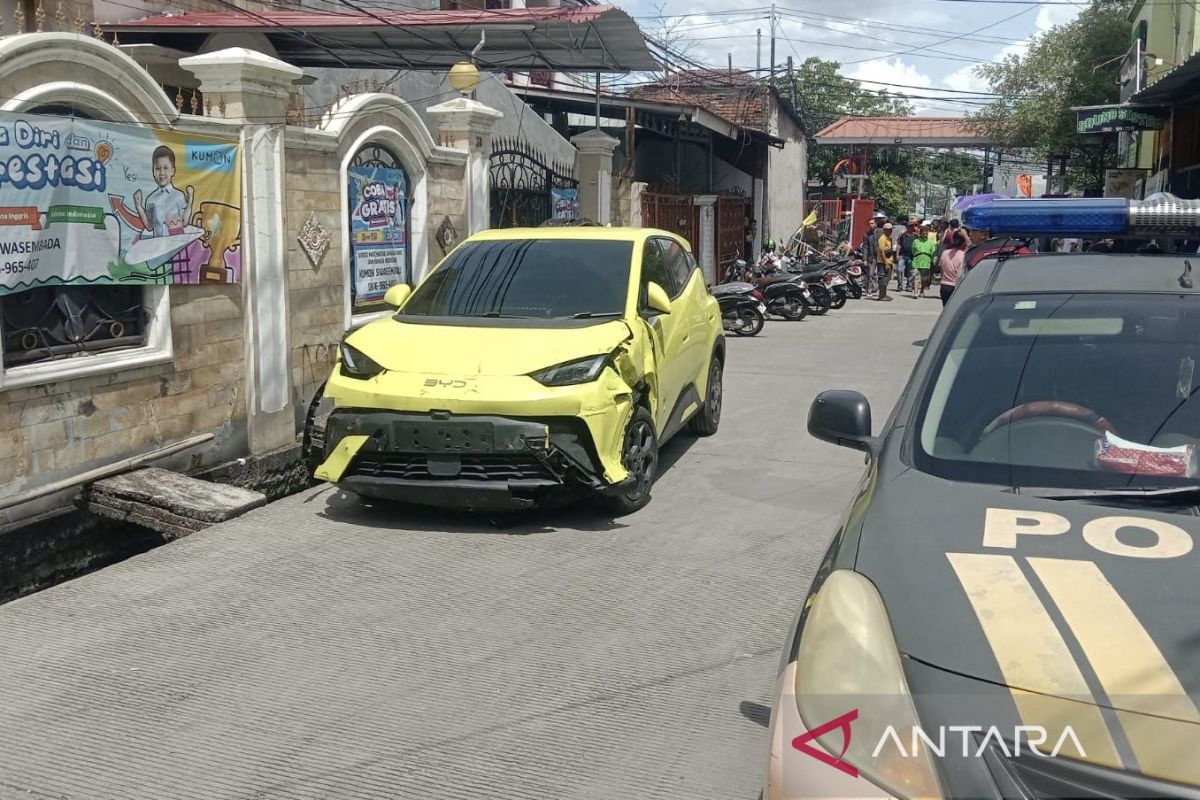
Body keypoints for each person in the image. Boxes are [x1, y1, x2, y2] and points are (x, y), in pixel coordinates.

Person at [135, 145, 193, 238]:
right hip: (158, 246)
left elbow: (185, 222)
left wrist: (190, 199)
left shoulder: (178, 196)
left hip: (175, 245)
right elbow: (149, 226)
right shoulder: (151, 199)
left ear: (173, 171)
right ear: (153, 171)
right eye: (158, 168)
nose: (161, 173)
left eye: (165, 168)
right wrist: (139, 206)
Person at [938, 230, 968, 307]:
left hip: (944, 285)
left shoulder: (945, 253)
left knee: (945, 310)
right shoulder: (964, 255)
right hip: (956, 286)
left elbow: (941, 270)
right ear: (964, 242)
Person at [910, 223, 936, 299]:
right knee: (916, 277)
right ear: (920, 233)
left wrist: (933, 260)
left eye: (926, 232)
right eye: (923, 232)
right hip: (917, 261)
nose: (925, 234)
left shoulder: (930, 242)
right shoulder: (916, 241)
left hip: (926, 261)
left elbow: (933, 252)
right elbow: (913, 251)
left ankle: (921, 291)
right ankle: (915, 292)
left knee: (924, 279)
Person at [876, 222, 895, 301]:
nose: (890, 231)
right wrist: (886, 263)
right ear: (884, 230)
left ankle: (884, 294)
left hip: (889, 261)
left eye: (891, 230)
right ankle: (881, 296)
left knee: (887, 279)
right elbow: (882, 251)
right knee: (883, 279)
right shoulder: (882, 238)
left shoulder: (888, 238)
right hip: (883, 262)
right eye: (888, 230)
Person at [897, 222, 917, 292]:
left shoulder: (915, 236)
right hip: (902, 255)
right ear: (906, 227)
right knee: (899, 270)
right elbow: (899, 245)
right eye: (909, 226)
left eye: (912, 226)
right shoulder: (902, 235)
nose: (910, 227)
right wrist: (897, 254)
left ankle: (909, 286)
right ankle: (900, 285)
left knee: (910, 272)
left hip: (911, 256)